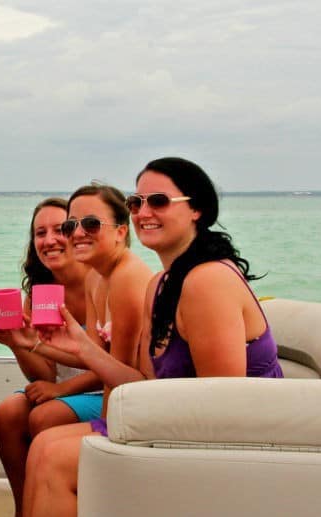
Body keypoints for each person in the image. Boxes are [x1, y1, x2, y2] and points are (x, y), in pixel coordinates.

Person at [22, 157, 283, 517]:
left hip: (233, 444)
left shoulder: (208, 281)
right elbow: (143, 382)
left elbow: (225, 408)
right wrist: (83, 347)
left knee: (54, 457)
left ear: (197, 209)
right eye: (137, 202)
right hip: (177, 422)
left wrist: (128, 429)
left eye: (158, 201)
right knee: (44, 445)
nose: (144, 212)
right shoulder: (161, 284)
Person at [0, 198, 94, 515]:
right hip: (60, 389)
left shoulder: (100, 284)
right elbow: (43, 376)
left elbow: (118, 363)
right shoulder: (37, 293)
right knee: (8, 413)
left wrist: (61, 391)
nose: (48, 241)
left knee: (45, 416)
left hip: (102, 388)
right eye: (39, 233)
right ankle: (25, 508)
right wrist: (15, 343)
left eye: (59, 230)